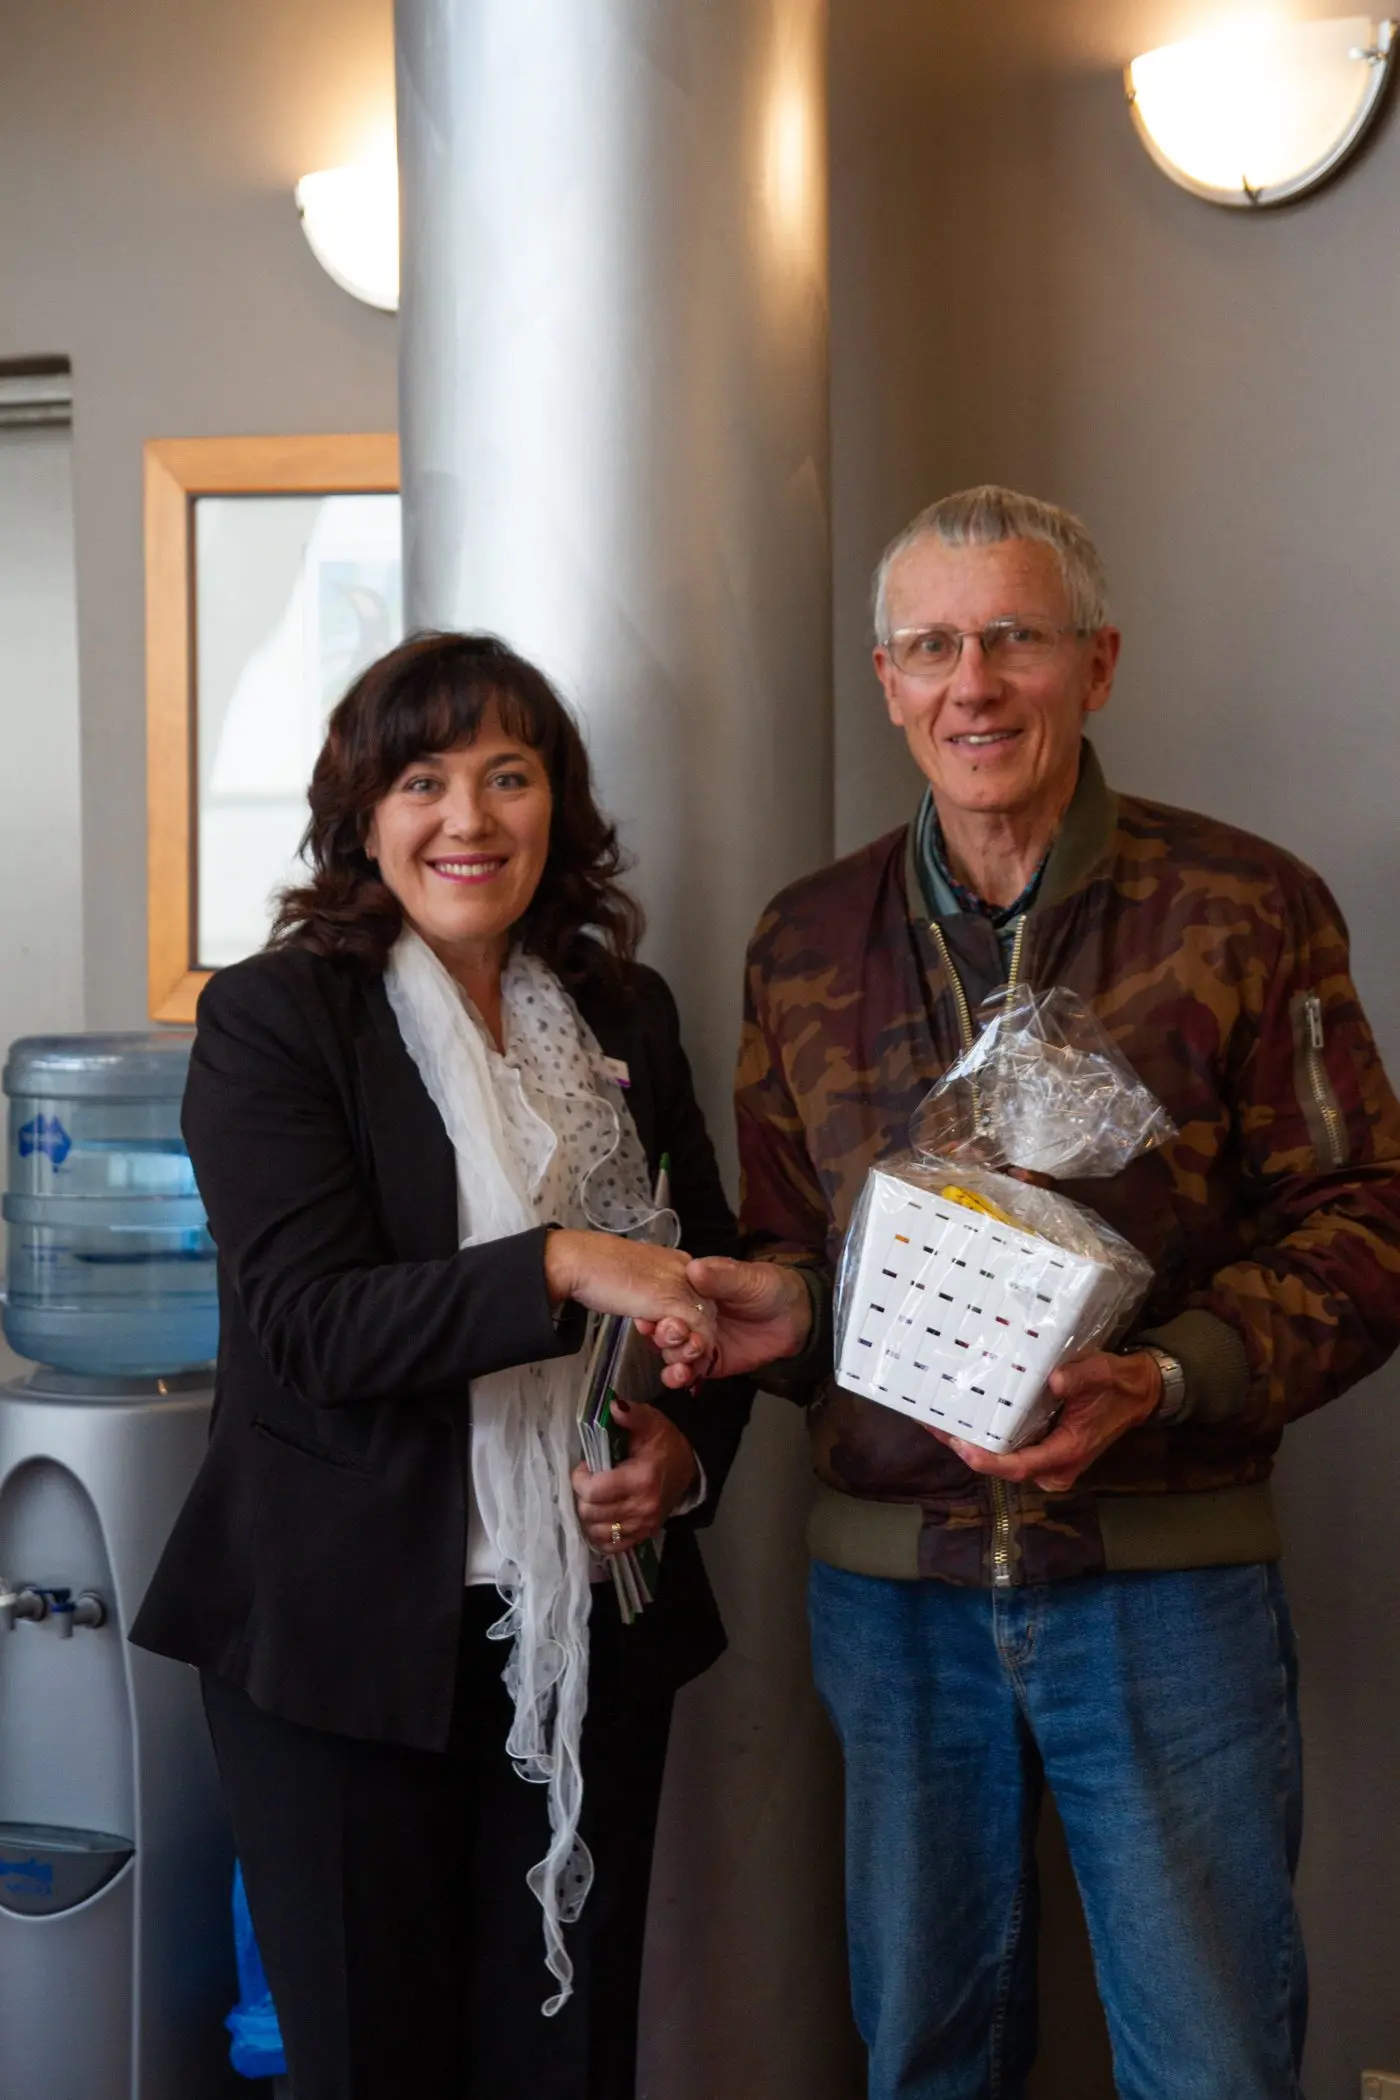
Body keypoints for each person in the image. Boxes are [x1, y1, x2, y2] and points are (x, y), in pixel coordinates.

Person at [656, 487, 1400, 2100]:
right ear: (886, 680)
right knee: (927, 2058)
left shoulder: (1246, 908)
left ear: (1097, 663)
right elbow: (797, 1249)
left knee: (1212, 2064)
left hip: (1167, 1584)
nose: (973, 684)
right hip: (892, 1602)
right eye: (932, 647)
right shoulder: (805, 939)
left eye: (1014, 639)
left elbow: (1367, 1221)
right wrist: (783, 1317)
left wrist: (1169, 1375)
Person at [131, 632, 752, 2100]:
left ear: (557, 806)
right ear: (362, 816)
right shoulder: (276, 1018)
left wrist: (679, 1451)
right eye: (422, 781)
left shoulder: (623, 1011)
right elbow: (314, 1327)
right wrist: (559, 1263)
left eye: (507, 776)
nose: (467, 818)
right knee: (374, 2065)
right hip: (340, 1643)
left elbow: (710, 1281)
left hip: (591, 1627)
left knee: (566, 2064)